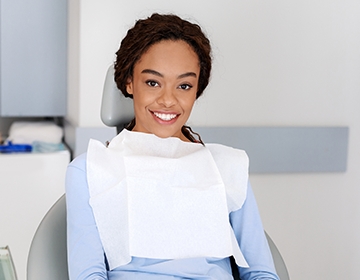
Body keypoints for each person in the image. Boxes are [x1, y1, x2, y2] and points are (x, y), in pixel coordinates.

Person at [66, 13, 280, 280]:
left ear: (196, 89)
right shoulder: (90, 170)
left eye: (184, 85)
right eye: (153, 82)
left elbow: (261, 273)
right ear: (129, 82)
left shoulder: (226, 168)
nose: (168, 100)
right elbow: (88, 276)